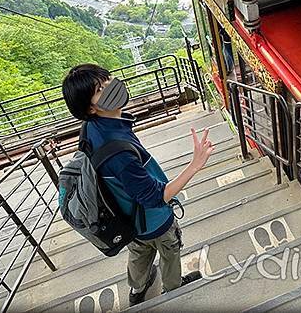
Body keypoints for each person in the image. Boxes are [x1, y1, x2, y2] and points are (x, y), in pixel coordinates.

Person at [62, 64, 214, 306]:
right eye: (102, 89)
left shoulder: (92, 128)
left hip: (125, 215)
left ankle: (138, 290)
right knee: (169, 249)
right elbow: (156, 197)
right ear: (90, 107)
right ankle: (173, 289)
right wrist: (195, 164)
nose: (112, 88)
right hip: (154, 220)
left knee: (139, 252)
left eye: (109, 80)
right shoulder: (118, 153)